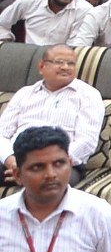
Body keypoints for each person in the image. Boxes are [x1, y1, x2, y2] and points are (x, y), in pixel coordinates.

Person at [0, 44, 105, 185]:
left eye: (71, 63)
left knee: (51, 182)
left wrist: (42, 164)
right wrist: (12, 161)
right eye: (59, 62)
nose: (65, 67)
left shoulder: (88, 95)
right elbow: (2, 134)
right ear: (42, 67)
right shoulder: (24, 93)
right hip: (16, 161)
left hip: (61, 164)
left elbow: (87, 141)